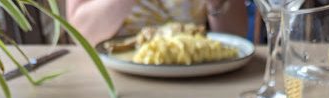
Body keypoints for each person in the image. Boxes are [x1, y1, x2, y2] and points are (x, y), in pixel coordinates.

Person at [66, 0, 248, 45]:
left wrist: (216, 4)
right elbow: (81, 35)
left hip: (200, 75)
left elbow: (236, 37)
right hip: (113, 79)